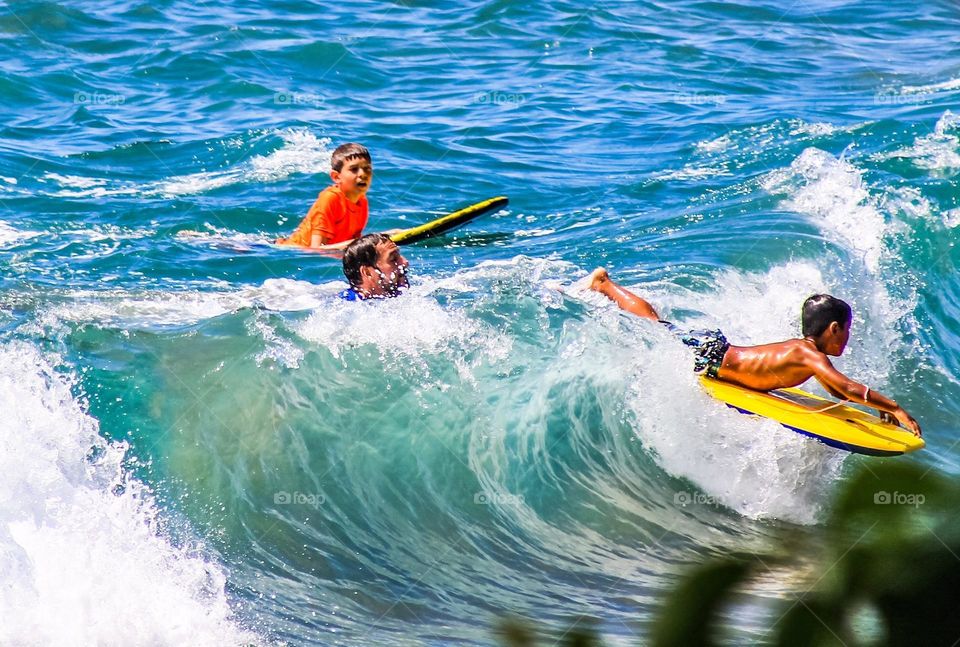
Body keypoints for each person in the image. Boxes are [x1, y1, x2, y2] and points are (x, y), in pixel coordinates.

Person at [586, 268, 922, 436]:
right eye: (847, 330)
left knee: (660, 324)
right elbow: (846, 388)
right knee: (655, 324)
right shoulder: (809, 355)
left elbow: (836, 390)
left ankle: (607, 287)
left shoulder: (805, 352)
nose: (848, 339)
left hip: (716, 350)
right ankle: (604, 284)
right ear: (833, 328)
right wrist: (895, 407)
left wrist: (871, 406)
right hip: (710, 355)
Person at [277, 143, 375, 250]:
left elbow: (354, 246)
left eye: (367, 169)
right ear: (336, 177)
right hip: (288, 251)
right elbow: (316, 249)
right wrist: (373, 240)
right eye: (354, 169)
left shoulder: (362, 202)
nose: (363, 174)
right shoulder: (330, 199)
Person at [339, 233, 410, 300]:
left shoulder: (401, 295)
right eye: (393, 259)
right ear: (367, 272)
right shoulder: (347, 307)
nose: (405, 262)